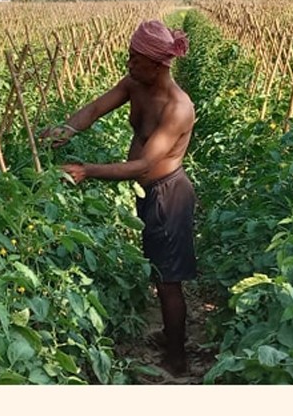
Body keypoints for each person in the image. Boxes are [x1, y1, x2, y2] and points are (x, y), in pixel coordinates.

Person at [38, 20, 197, 376]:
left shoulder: (177, 107)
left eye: (134, 58)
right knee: (159, 271)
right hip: (150, 193)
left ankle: (178, 359)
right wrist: (66, 130)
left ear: (157, 64)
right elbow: (94, 110)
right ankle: (172, 339)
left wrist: (87, 170)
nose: (128, 64)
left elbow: (143, 165)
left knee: (169, 280)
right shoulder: (135, 85)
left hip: (168, 194)